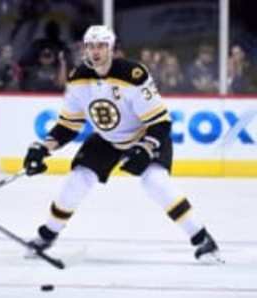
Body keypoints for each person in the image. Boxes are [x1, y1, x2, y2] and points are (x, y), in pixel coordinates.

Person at [23, 25, 223, 264]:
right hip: (108, 139)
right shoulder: (78, 78)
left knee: (155, 182)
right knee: (77, 180)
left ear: (112, 48)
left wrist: (145, 147)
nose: (96, 51)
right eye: (91, 46)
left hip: (144, 135)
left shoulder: (132, 75)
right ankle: (47, 235)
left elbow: (161, 122)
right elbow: (68, 125)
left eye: (101, 46)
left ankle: (202, 239)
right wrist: (43, 147)